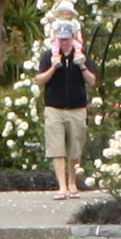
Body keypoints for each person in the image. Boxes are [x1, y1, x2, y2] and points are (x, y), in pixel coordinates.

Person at [35, 13, 94, 198]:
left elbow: (92, 81)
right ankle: (62, 186)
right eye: (61, 39)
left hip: (76, 108)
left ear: (72, 38)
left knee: (75, 148)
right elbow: (39, 80)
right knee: (56, 148)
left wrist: (82, 65)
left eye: (67, 39)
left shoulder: (81, 55)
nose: (64, 43)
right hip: (54, 108)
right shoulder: (49, 55)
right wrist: (53, 67)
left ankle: (72, 182)